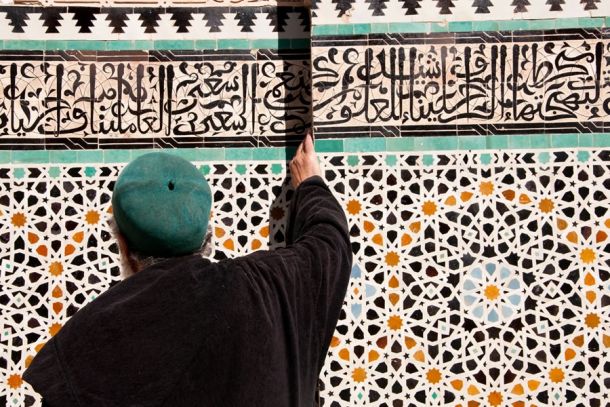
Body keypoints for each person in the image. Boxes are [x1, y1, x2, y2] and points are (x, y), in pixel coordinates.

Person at [23, 133, 352, 407]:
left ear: (122, 244)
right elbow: (330, 244)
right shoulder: (266, 287)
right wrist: (310, 183)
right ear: (209, 234)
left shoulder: (88, 343)